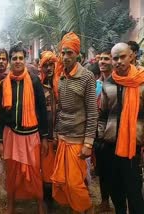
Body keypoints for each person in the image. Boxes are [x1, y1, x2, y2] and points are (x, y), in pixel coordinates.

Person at [0, 44, 48, 214]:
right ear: (10, 61)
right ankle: (11, 203)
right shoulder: (4, 84)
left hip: (31, 135)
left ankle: (40, 203)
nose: (17, 61)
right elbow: (0, 113)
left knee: (34, 171)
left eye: (20, 58)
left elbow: (42, 110)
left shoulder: (34, 81)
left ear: (25, 60)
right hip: (11, 134)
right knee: (12, 171)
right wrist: (0, 140)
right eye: (14, 58)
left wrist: (45, 137)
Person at [50, 32, 97, 213]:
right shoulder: (61, 77)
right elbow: (60, 109)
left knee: (75, 183)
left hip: (78, 140)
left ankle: (86, 209)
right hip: (63, 137)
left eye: (70, 52)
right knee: (62, 182)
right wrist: (56, 133)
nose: (66, 56)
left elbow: (92, 113)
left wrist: (88, 143)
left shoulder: (87, 77)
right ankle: (75, 209)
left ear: (77, 54)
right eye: (63, 53)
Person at [98, 43, 144, 214]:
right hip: (110, 148)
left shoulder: (141, 82)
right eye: (115, 58)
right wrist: (100, 138)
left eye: (122, 57)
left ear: (132, 56)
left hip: (133, 149)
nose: (118, 61)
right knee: (116, 194)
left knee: (135, 196)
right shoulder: (108, 84)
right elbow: (102, 114)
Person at [93, 50, 113, 212]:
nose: (103, 62)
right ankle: (104, 200)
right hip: (98, 134)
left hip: (114, 133)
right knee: (102, 169)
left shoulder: (118, 84)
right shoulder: (96, 84)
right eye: (100, 59)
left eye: (107, 59)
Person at [39, 50, 58, 210]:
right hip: (45, 136)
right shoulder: (38, 87)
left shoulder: (62, 83)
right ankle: (47, 202)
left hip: (61, 135)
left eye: (52, 64)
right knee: (46, 171)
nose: (49, 68)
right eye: (46, 65)